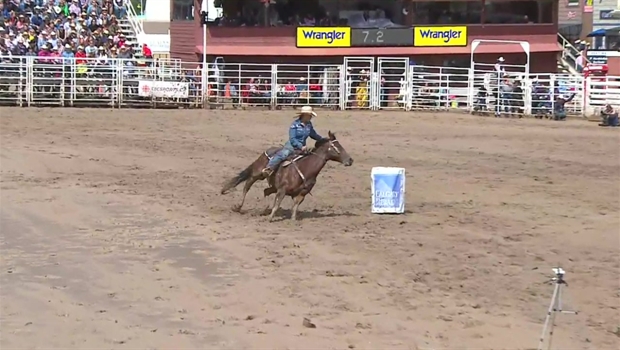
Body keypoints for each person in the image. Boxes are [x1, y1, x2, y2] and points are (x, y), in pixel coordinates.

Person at [262, 106, 324, 177]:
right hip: (291, 146)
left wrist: (322, 139)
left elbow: (313, 134)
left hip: (302, 148)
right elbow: (292, 139)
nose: (311, 117)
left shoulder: (309, 125)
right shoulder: (295, 125)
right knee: (283, 154)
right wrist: (300, 146)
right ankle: (269, 168)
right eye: (310, 115)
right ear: (304, 115)